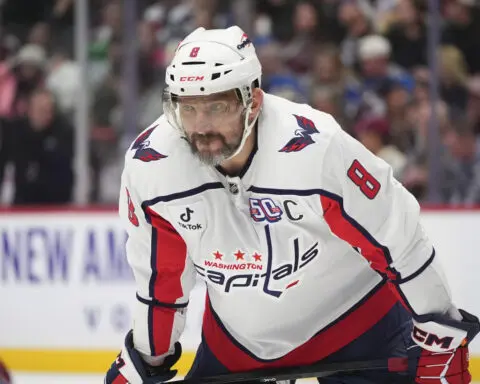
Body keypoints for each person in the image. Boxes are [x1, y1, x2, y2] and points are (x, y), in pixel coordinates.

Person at [105, 26, 479, 384]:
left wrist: (440, 331)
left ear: (252, 100)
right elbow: (161, 277)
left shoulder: (315, 148)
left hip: (359, 324)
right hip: (241, 344)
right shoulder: (151, 165)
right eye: (188, 109)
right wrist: (147, 358)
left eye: (216, 108)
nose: (200, 127)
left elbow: (396, 236)